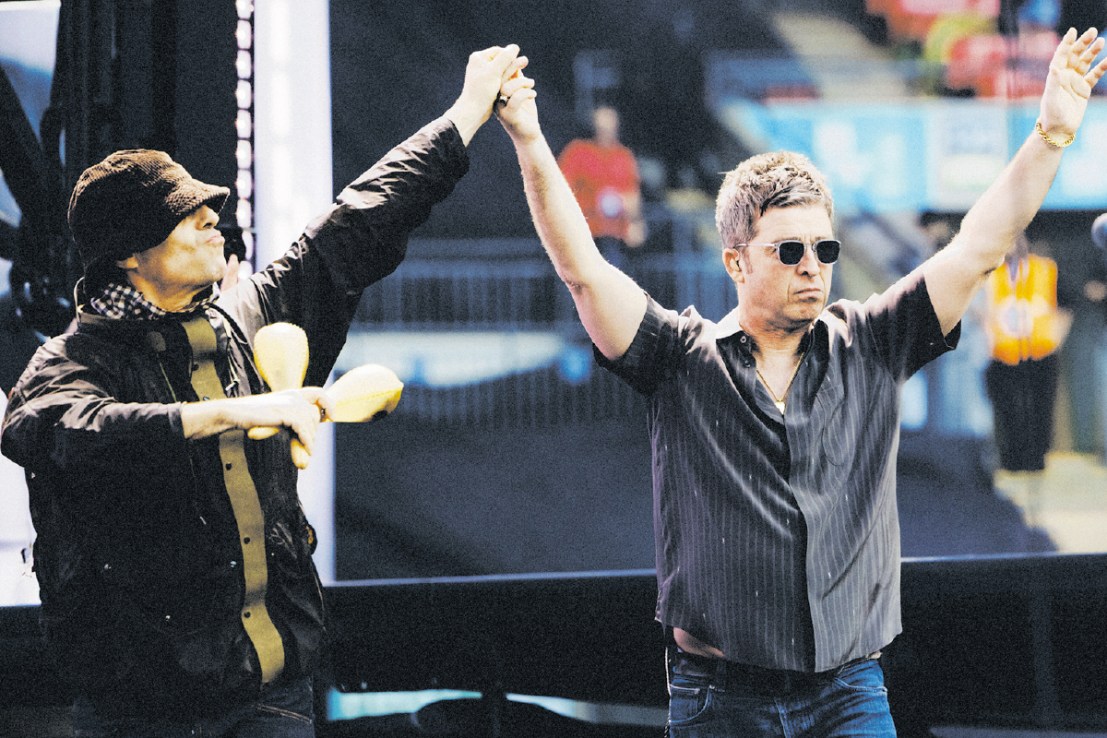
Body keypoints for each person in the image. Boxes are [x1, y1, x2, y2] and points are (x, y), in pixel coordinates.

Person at [494, 27, 1107, 737]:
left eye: (824, 247)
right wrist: (529, 138)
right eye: (789, 250)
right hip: (718, 699)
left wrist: (1050, 135)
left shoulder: (871, 340)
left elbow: (977, 246)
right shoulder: (681, 357)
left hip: (849, 694)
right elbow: (583, 271)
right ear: (736, 262)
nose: (813, 264)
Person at [0, 45, 525, 737]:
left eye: (206, 208)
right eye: (185, 214)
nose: (211, 219)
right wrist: (237, 411)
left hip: (271, 696)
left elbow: (364, 216)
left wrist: (466, 112)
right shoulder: (70, 363)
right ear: (128, 255)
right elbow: (54, 429)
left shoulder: (250, 317)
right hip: (139, 713)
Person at [983, 235, 1069, 473]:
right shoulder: (993, 273)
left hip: (1041, 352)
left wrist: (1056, 338)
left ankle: (1036, 459)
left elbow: (1065, 305)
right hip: (1004, 354)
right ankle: (1012, 460)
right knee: (1009, 410)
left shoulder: (1046, 269)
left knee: (1040, 409)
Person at [556, 105, 645, 270]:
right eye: (602, 128)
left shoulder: (623, 156)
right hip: (584, 235)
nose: (607, 132)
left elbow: (632, 194)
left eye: (610, 127)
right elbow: (560, 189)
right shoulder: (578, 152)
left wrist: (636, 222)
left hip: (614, 237)